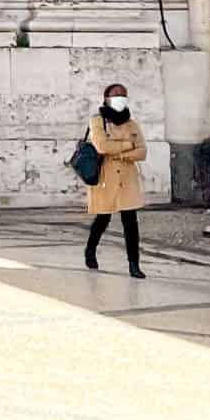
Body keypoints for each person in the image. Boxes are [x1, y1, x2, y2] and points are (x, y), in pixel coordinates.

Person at [83, 82, 146, 279]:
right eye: (116, 94)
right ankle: (90, 249)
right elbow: (101, 146)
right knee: (103, 218)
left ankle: (134, 265)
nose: (120, 97)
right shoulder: (97, 121)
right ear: (107, 98)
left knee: (130, 222)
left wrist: (119, 152)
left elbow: (142, 151)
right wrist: (128, 145)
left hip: (127, 177)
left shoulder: (132, 124)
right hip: (105, 176)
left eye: (123, 95)